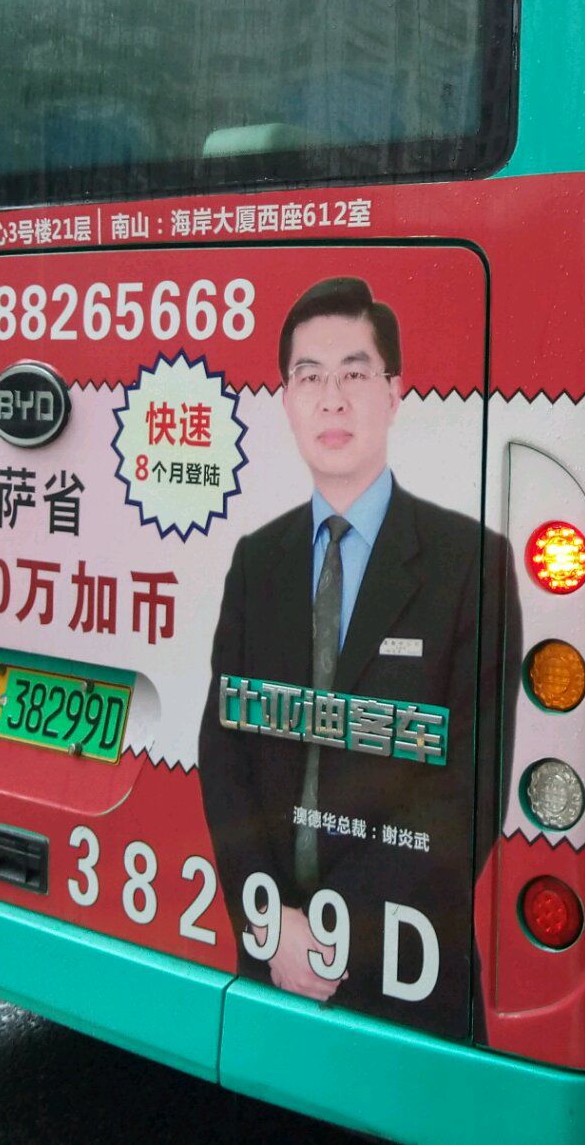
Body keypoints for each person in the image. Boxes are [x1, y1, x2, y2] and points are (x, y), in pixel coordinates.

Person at [196, 276, 520, 1034]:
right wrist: (269, 920)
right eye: (309, 377)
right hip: (272, 955)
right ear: (285, 400)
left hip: (409, 961)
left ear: (394, 392)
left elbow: (467, 789)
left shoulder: (470, 562)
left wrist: (335, 932)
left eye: (355, 373)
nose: (331, 400)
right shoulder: (257, 559)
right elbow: (224, 751)